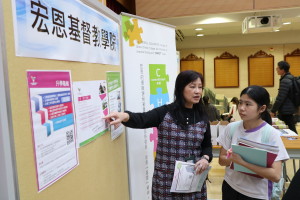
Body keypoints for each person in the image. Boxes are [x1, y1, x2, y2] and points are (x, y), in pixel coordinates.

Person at [104, 70, 212, 199]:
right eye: (192, 86)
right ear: (180, 88)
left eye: (200, 87)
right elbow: (142, 119)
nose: (197, 91)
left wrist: (205, 158)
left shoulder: (202, 116)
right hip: (165, 182)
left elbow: (207, 146)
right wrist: (124, 116)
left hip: (193, 180)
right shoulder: (166, 112)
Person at [216, 85, 289, 200]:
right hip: (230, 186)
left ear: (262, 108)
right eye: (240, 103)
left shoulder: (270, 134)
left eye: (248, 104)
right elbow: (221, 160)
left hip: (256, 194)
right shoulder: (231, 128)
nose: (241, 108)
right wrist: (232, 158)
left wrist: (242, 162)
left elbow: (275, 175)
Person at [271, 61, 298, 134]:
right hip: (288, 108)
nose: (276, 69)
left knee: (291, 128)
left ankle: (296, 143)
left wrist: (273, 110)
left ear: (282, 70)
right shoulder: (288, 78)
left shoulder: (285, 80)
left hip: (286, 109)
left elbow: (280, 97)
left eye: (278, 67)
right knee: (288, 128)